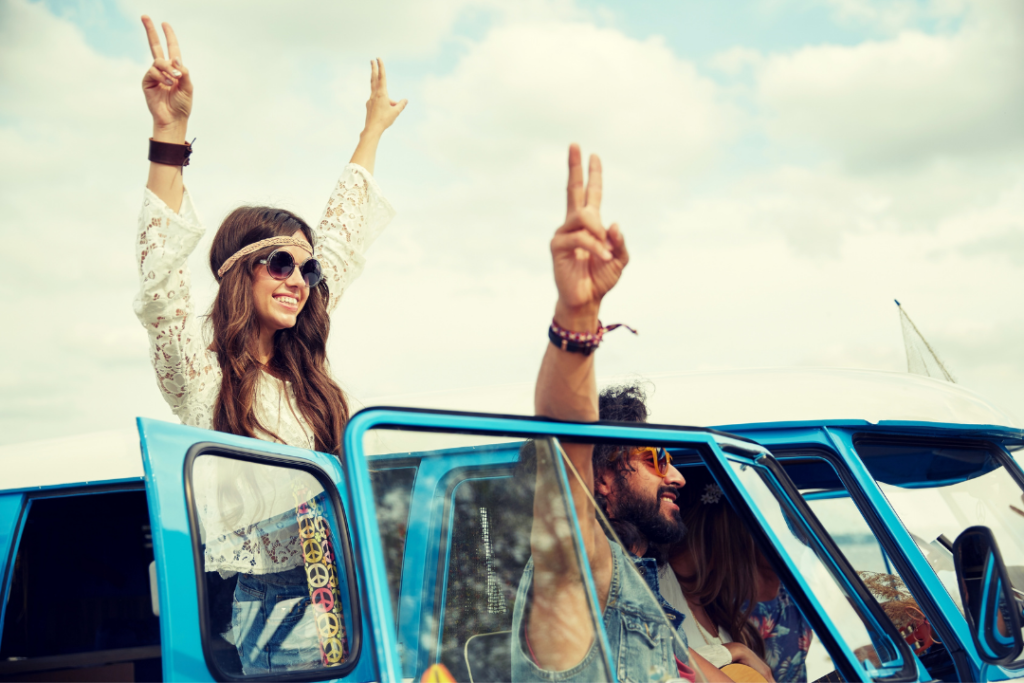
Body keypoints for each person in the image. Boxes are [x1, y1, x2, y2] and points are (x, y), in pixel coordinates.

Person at [133, 16, 405, 674]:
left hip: (358, 590)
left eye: (307, 270)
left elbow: (340, 237)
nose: (300, 279)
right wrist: (169, 134)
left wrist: (370, 132)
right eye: (280, 262)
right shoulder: (202, 376)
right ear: (237, 271)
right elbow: (159, 280)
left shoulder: (303, 366)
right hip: (277, 608)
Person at [512, 144, 735, 683]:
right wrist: (577, 316)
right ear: (603, 478)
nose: (677, 474)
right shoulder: (580, 573)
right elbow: (566, 443)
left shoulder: (643, 588)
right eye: (655, 458)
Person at [660, 467, 813, 682]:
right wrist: (731, 650)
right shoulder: (656, 583)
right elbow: (649, 660)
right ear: (727, 533)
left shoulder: (717, 609)